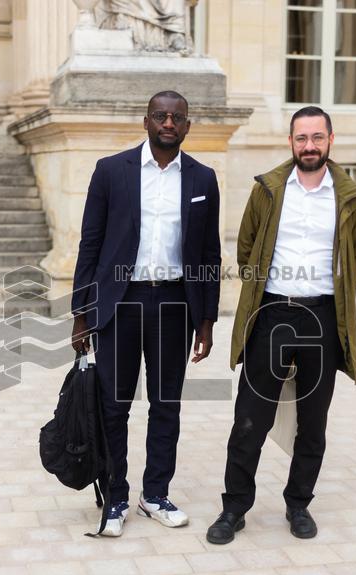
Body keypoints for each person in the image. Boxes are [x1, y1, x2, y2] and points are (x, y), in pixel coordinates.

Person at [206, 106, 356, 545]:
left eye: (318, 137)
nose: (310, 146)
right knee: (249, 420)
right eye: (302, 138)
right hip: (272, 315)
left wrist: (326, 295)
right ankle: (234, 508)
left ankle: (298, 504)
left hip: (321, 317)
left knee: (312, 422)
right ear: (291, 142)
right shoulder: (268, 190)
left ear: (330, 140)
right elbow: (246, 249)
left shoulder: (351, 196)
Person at [71, 90, 222, 537]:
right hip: (120, 303)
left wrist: (207, 320)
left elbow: (210, 254)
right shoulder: (110, 171)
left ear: (188, 126)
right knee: (114, 407)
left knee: (166, 405)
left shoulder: (203, 179)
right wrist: (81, 314)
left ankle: (154, 493)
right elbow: (90, 245)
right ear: (146, 122)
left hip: (175, 304)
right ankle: (116, 497)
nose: (169, 123)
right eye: (161, 115)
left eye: (177, 117)